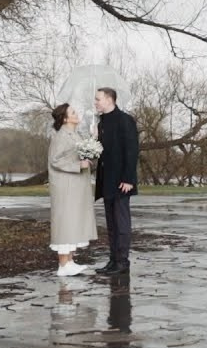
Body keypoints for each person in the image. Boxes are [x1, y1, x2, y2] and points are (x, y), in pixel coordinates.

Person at [93, 87, 139, 275]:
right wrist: (95, 138)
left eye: (98, 99)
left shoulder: (125, 120)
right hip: (107, 180)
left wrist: (128, 178)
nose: (95, 102)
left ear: (110, 99)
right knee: (111, 224)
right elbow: (103, 152)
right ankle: (113, 260)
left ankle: (122, 262)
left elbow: (132, 150)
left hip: (121, 181)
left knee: (121, 223)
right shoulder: (101, 122)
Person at [47, 103, 96, 276]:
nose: (77, 114)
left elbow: (80, 154)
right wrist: (78, 164)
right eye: (73, 112)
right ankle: (63, 264)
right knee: (65, 223)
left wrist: (93, 138)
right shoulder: (61, 136)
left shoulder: (74, 134)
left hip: (75, 186)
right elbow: (55, 160)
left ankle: (69, 261)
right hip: (65, 187)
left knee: (72, 222)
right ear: (65, 118)